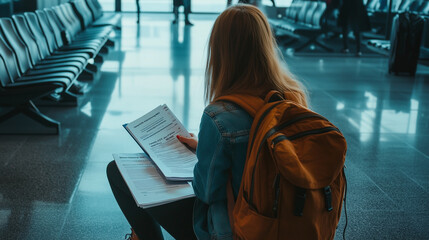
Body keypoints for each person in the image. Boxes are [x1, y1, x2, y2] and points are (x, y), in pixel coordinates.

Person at [107, 4, 308, 240]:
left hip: (233, 230)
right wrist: (204, 145)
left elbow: (206, 191)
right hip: (284, 222)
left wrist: (202, 156)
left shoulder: (220, 116)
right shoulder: (294, 97)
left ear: (221, 52)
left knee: (118, 171)